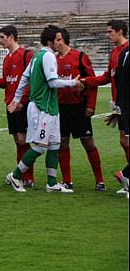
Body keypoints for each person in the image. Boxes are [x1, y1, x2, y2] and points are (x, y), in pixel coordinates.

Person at [6, 25, 83, 193]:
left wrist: (17, 98)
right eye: (57, 39)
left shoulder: (37, 56)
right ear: (50, 41)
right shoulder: (47, 56)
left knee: (55, 144)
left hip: (50, 107)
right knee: (40, 146)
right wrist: (73, 83)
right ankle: (16, 175)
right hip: (42, 107)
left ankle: (52, 183)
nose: (59, 43)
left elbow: (24, 77)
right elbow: (52, 82)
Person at [0, 25, 35, 187]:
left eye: (2, 37)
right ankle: (20, 175)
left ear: (11, 37)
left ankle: (28, 177)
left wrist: (22, 101)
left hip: (22, 104)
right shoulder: (7, 58)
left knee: (24, 140)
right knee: (18, 140)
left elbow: (31, 80)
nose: (0, 40)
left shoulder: (26, 55)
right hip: (10, 104)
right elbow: (6, 83)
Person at [53, 28, 105, 192]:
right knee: (62, 143)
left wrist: (91, 105)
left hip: (79, 107)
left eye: (59, 39)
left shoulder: (80, 57)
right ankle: (67, 181)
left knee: (88, 142)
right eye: (55, 40)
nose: (56, 42)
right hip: (60, 108)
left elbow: (92, 82)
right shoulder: (52, 60)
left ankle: (100, 181)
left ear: (65, 40)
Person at [83, 19, 129, 162]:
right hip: (120, 105)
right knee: (124, 141)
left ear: (120, 31)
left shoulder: (128, 50)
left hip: (127, 103)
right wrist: (85, 81)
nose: (107, 35)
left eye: (110, 32)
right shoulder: (114, 52)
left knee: (126, 140)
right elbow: (108, 77)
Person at [113, 45, 129, 197]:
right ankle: (126, 174)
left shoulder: (124, 52)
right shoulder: (124, 53)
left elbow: (118, 81)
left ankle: (126, 175)